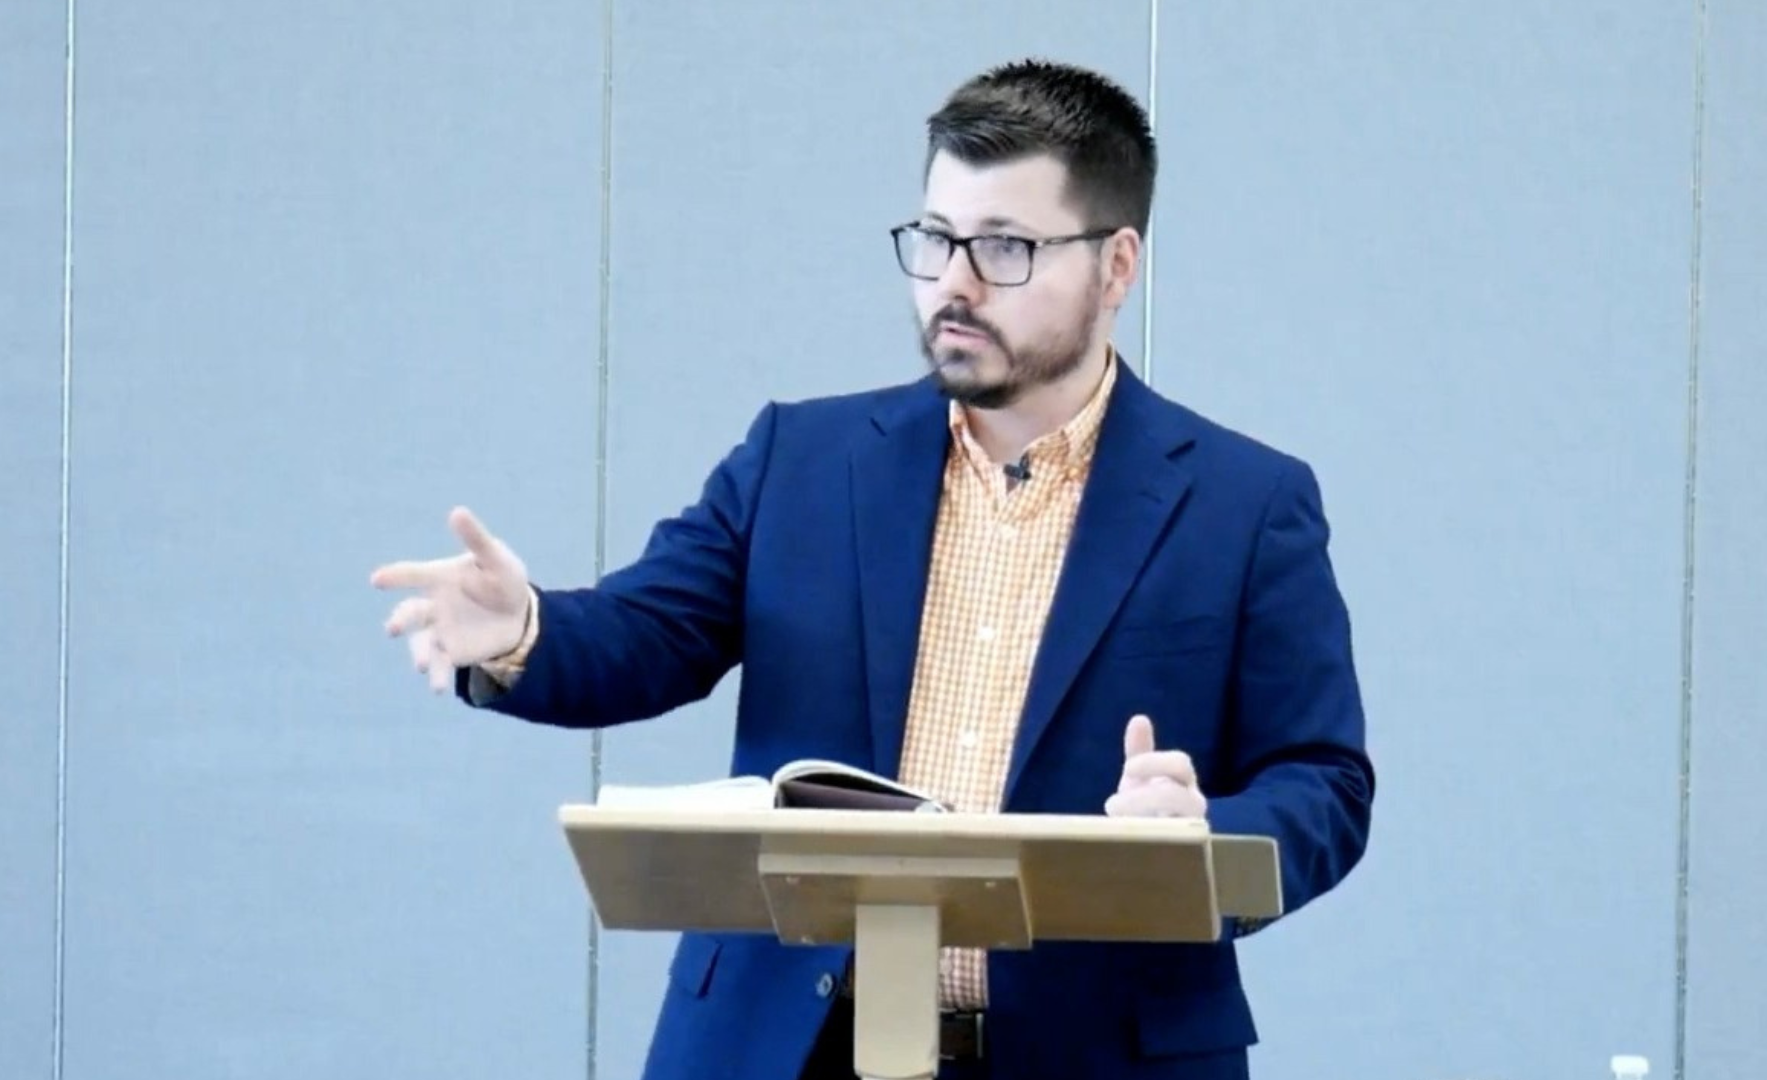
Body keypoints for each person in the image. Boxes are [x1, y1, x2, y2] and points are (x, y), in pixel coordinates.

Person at [372, 58, 1373, 1080]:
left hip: (1097, 1055)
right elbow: (646, 635)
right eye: (936, 238)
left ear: (1116, 267)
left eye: (1005, 248)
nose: (953, 284)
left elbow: (1325, 783)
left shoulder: (1246, 504)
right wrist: (525, 630)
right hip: (788, 1048)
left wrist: (1206, 835)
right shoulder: (801, 460)